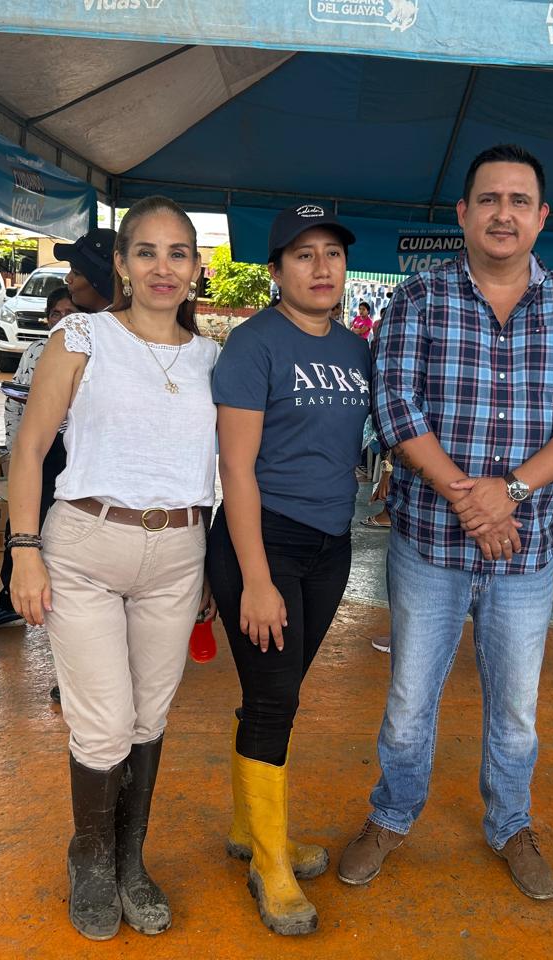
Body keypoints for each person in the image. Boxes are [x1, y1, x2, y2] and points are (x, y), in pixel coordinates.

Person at [338, 144, 553, 901]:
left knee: (517, 711)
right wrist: (471, 499)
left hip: (524, 554)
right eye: (488, 199)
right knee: (407, 703)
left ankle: (511, 823)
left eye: (519, 201)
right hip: (429, 544)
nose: (503, 213)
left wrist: (513, 491)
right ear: (462, 213)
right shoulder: (418, 299)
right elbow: (395, 405)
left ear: (541, 217)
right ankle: (391, 816)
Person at [8, 197, 217, 941]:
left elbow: (223, 468)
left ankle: (130, 858)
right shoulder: (82, 336)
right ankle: (91, 858)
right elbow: (30, 447)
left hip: (179, 553)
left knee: (149, 717)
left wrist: (215, 572)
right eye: (147, 252)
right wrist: (23, 550)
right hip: (86, 547)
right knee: (102, 725)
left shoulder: (211, 359)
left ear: (196, 268)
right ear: (123, 264)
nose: (163, 267)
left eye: (178, 253)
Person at [206, 204, 371, 936]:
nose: (322, 267)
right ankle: (270, 866)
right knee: (274, 700)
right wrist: (256, 578)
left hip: (330, 544)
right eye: (303, 255)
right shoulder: (253, 344)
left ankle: (251, 829)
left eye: (332, 252)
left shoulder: (356, 349)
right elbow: (235, 468)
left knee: (278, 692)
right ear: (275, 271)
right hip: (263, 540)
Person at [0, 228, 117, 638]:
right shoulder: (70, 334)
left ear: (101, 276)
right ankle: (11, 599)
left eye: (77, 272)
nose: (69, 280)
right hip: (53, 449)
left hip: (91, 469)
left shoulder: (124, 336)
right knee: (26, 520)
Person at [0, 287, 78, 641]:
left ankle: (69, 608)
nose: (62, 320)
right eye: (56, 313)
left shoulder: (93, 349)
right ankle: (9, 600)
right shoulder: (37, 351)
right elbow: (16, 402)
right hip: (42, 451)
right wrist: (16, 450)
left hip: (77, 453)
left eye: (70, 313)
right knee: (22, 520)